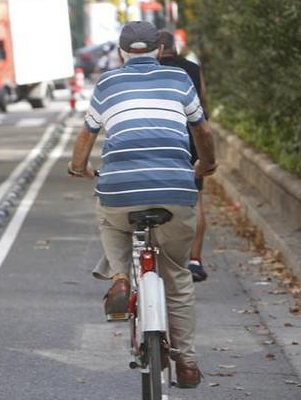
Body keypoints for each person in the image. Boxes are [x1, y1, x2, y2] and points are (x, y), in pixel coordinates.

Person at [69, 21, 218, 388]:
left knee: (111, 221)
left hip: (121, 190)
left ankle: (120, 278)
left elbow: (87, 134)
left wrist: (78, 168)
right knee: (177, 276)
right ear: (159, 50)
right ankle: (186, 362)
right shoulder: (180, 80)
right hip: (175, 190)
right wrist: (207, 164)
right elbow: (202, 130)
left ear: (121, 52)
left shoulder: (106, 83)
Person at [159, 31, 210, 282]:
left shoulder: (151, 70)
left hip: (161, 138)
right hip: (191, 139)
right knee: (196, 199)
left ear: (157, 50)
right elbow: (204, 105)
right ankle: (194, 260)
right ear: (174, 48)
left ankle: (164, 257)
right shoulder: (192, 69)